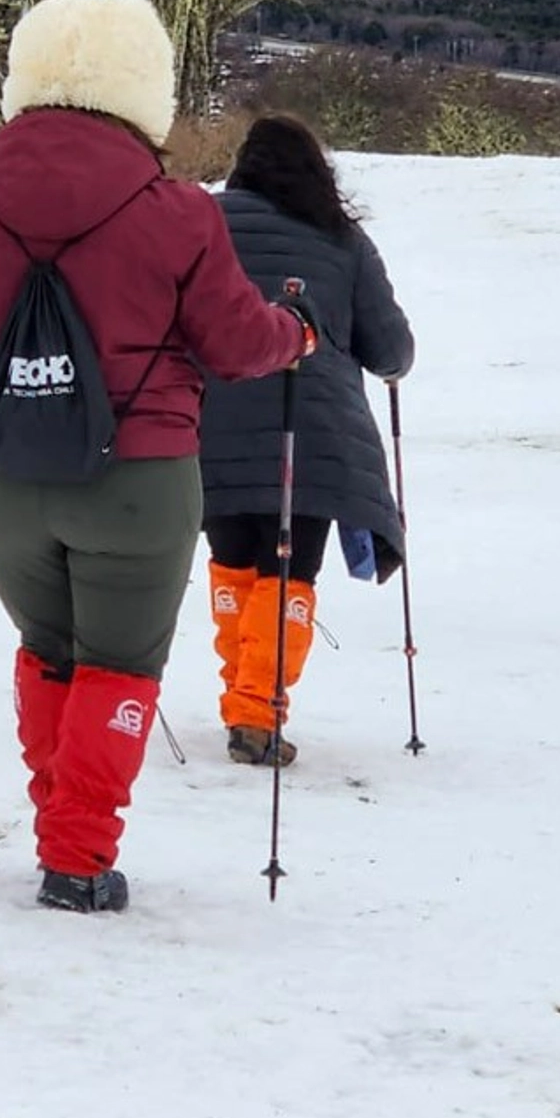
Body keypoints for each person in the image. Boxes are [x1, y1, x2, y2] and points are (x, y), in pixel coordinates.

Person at [0, 0, 313, 914]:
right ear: (141, 91)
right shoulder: (181, 213)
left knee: (50, 651)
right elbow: (239, 347)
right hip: (138, 483)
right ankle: (76, 858)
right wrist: (298, 335)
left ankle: (59, 825)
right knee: (119, 665)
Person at [198, 115, 415, 765]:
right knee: (288, 569)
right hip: (313, 432)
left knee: (233, 561)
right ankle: (255, 708)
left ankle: (243, 697)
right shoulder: (342, 240)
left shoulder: (203, 224)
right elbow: (391, 351)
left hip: (210, 420)